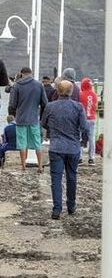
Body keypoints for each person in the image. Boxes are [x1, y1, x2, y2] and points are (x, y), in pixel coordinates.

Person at [42, 80, 89, 219]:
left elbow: (44, 123)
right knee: (72, 176)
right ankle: (71, 205)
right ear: (71, 91)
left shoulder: (50, 106)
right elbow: (84, 126)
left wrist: (54, 129)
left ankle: (57, 209)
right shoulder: (78, 107)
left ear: (57, 90)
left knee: (56, 178)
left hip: (56, 146)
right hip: (73, 147)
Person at [8, 66, 48, 172]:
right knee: (37, 143)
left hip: (20, 119)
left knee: (22, 143)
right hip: (34, 118)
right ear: (31, 73)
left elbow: (13, 104)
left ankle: (23, 166)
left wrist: (15, 111)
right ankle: (40, 166)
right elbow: (45, 103)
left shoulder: (17, 86)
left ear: (21, 73)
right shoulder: (39, 85)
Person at [80, 77, 99, 164]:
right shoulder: (95, 95)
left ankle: (79, 157)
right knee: (91, 139)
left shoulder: (80, 94)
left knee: (79, 137)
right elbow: (96, 106)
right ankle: (91, 158)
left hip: (83, 119)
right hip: (92, 119)